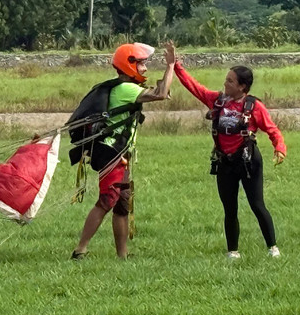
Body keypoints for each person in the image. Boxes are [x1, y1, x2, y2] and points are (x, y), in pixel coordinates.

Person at [172, 55, 286, 259]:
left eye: (230, 81)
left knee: (257, 205)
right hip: (225, 162)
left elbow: (272, 129)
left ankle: (272, 248)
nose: (225, 83)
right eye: (226, 79)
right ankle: (233, 251)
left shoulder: (254, 107)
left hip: (248, 161)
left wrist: (279, 147)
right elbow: (194, 87)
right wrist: (176, 66)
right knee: (229, 208)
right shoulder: (217, 101)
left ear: (242, 87)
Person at [71, 40, 176, 260]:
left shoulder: (123, 87)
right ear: (129, 65)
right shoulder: (126, 88)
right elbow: (160, 94)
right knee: (107, 201)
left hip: (122, 154)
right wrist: (171, 65)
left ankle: (123, 255)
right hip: (113, 153)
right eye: (141, 64)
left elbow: (160, 92)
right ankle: (80, 249)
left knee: (122, 205)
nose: (145, 69)